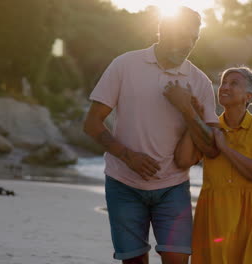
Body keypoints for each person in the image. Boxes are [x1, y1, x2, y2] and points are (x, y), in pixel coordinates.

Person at [83, 6, 219, 264]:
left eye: (195, 38)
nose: (189, 43)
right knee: (133, 261)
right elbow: (91, 123)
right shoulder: (125, 65)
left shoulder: (199, 82)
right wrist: (127, 156)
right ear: (162, 31)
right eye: (183, 35)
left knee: (177, 260)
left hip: (173, 188)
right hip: (122, 183)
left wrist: (187, 110)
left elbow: (211, 149)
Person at [169, 67, 252, 263]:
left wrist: (225, 149)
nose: (224, 87)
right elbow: (183, 161)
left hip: (251, 213)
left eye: (233, 83)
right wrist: (193, 118)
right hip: (214, 213)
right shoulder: (210, 126)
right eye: (223, 82)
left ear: (248, 96)